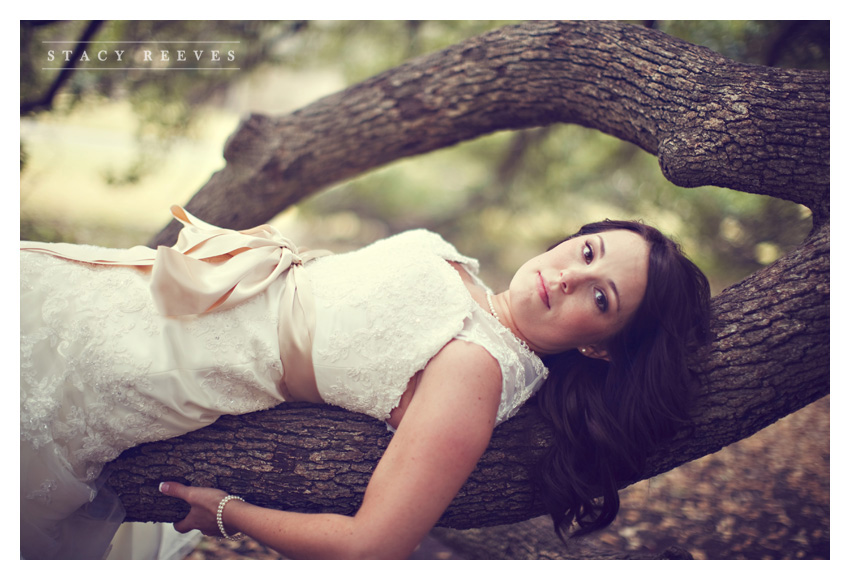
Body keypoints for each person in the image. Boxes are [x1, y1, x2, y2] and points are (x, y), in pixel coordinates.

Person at [20, 206, 710, 559]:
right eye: (587, 252)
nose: (569, 275)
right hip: (147, 294)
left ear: (599, 349)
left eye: (601, 298)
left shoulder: (478, 368)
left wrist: (227, 512)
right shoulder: (467, 279)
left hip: (142, 362)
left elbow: (373, 545)